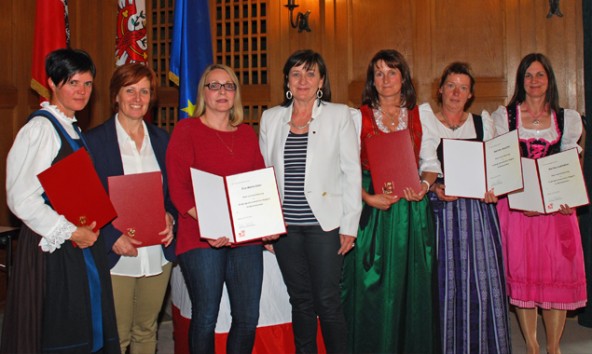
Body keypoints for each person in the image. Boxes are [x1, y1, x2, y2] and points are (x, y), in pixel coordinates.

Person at [1, 48, 119, 353]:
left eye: (88, 84)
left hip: (79, 242)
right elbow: (20, 198)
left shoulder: (71, 126)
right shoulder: (40, 129)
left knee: (86, 324)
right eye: (73, 83)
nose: (81, 91)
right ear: (53, 83)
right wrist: (68, 231)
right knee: (61, 330)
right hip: (52, 249)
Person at [166, 63, 275, 354]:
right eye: (214, 85)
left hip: (245, 238)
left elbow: (257, 186)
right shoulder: (186, 130)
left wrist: (267, 227)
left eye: (228, 85)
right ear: (204, 93)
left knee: (247, 318)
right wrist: (214, 225)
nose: (221, 91)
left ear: (236, 93)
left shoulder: (246, 135)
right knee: (206, 316)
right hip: (201, 237)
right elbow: (179, 190)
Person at [259, 49, 362, 353]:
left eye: (310, 73)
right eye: (296, 73)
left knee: (327, 302)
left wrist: (350, 225)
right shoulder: (270, 118)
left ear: (321, 81)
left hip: (325, 226)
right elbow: (264, 174)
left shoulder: (339, 115)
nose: (303, 80)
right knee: (300, 301)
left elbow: (351, 172)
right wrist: (266, 223)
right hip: (286, 229)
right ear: (287, 81)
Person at [341, 49, 439, 354]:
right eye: (379, 73)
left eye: (392, 72)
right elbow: (344, 167)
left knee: (411, 286)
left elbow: (431, 163)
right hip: (374, 211)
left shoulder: (420, 114)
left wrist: (424, 186)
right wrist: (368, 197)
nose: (385, 79)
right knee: (371, 285)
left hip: (411, 210)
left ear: (403, 78)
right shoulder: (358, 116)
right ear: (372, 79)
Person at [492, 53, 587, 354]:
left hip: (556, 210)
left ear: (549, 80)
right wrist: (518, 196)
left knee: (555, 274)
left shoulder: (567, 119)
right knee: (525, 275)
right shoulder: (503, 118)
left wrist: (571, 197)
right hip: (518, 209)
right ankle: (532, 345)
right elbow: (500, 165)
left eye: (540, 75)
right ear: (521, 81)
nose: (534, 81)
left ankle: (554, 346)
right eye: (528, 75)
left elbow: (574, 165)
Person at [419, 62, 511, 353]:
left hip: (477, 214)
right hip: (440, 211)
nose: (456, 92)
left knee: (480, 285)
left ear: (470, 94)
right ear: (440, 89)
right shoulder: (425, 121)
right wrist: (433, 187)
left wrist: (494, 189)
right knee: (443, 284)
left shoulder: (483, 123)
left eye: (463, 87)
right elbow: (418, 167)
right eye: (450, 85)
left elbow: (498, 167)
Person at [84, 63, 176, 354]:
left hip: (156, 253)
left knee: (147, 330)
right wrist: (112, 238)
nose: (137, 97)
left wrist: (171, 217)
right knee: (117, 335)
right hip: (115, 254)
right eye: (130, 90)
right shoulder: (94, 141)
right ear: (116, 96)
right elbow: (85, 201)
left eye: (144, 91)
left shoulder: (163, 140)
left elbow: (173, 194)